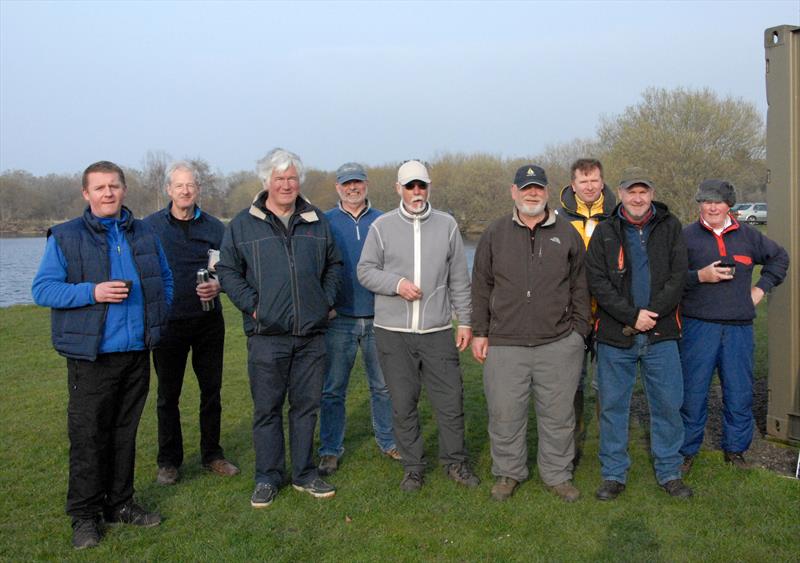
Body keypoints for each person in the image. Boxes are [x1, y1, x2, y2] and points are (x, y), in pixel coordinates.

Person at [32, 161, 173, 549]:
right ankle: (85, 516)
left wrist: (157, 317)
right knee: (89, 438)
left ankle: (121, 504)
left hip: (136, 352)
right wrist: (92, 292)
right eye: (99, 188)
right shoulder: (65, 236)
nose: (107, 193)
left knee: (125, 435)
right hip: (92, 357)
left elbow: (165, 279)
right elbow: (43, 290)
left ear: (124, 190)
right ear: (86, 194)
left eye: (114, 186)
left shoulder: (145, 232)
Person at [216, 148, 342, 508]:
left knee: (305, 408)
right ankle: (268, 477)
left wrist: (324, 301)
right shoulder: (243, 223)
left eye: (291, 178)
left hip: (310, 335)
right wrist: (254, 307)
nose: (286, 184)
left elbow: (334, 265)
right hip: (267, 336)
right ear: (266, 182)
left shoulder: (316, 219)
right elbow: (227, 271)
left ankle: (304, 474)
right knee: (267, 409)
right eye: (279, 178)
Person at [357, 159, 479, 492]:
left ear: (428, 188)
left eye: (421, 185)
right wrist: (397, 284)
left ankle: (456, 462)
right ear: (398, 188)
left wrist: (465, 321)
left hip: (437, 330)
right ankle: (413, 468)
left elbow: (459, 279)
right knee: (403, 403)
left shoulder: (447, 225)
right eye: (409, 186)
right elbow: (365, 270)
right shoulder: (381, 226)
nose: (416, 192)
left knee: (451, 401)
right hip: (393, 333)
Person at [471, 164, 590, 502]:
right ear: (514, 192)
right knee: (505, 414)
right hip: (505, 343)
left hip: (557, 343)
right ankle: (508, 473)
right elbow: (480, 285)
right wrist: (480, 332)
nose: (532, 193)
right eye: (526, 188)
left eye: (538, 188)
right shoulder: (495, 233)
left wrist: (578, 333)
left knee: (558, 416)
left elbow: (580, 287)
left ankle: (557, 475)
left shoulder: (566, 234)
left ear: (547, 192)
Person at [585, 167, 692, 500]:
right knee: (614, 408)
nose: (637, 197)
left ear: (652, 194)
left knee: (668, 406)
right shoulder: (605, 231)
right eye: (632, 191)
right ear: (620, 193)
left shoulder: (670, 227)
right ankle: (614, 474)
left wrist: (651, 315)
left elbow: (678, 277)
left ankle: (669, 471)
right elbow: (598, 282)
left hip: (662, 335)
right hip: (617, 337)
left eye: (643, 191)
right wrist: (632, 315)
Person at [679, 179, 788, 472]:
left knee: (739, 391)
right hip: (698, 326)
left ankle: (735, 449)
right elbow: (670, 278)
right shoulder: (685, 237)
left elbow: (779, 258)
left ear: (730, 205)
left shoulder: (749, 237)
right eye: (706, 201)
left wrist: (760, 288)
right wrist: (699, 276)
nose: (712, 207)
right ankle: (686, 450)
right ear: (699, 204)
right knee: (692, 391)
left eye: (719, 201)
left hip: (738, 327)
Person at [144, 161, 239, 486]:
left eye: (191, 186)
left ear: (198, 190)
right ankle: (169, 461)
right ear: (169, 190)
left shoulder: (215, 227)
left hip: (208, 322)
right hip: (168, 324)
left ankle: (212, 454)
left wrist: (220, 285)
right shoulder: (150, 227)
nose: (185, 191)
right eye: (179, 186)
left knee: (211, 391)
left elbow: (230, 269)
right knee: (168, 395)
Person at [317, 162, 399, 477]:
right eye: (347, 183)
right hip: (340, 320)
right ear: (338, 187)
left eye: (358, 182)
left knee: (383, 387)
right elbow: (317, 267)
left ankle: (389, 440)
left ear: (366, 184)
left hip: (379, 317)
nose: (353, 188)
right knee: (333, 389)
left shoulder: (384, 220)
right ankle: (329, 449)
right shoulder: (325, 221)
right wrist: (326, 304)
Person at [557, 158, 616, 466]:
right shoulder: (559, 218)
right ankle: (572, 445)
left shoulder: (616, 216)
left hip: (609, 313)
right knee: (572, 383)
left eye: (595, 181)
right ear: (573, 185)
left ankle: (610, 446)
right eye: (584, 181)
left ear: (602, 182)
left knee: (606, 383)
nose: (590, 186)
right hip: (573, 314)